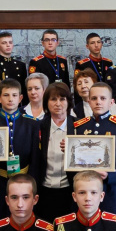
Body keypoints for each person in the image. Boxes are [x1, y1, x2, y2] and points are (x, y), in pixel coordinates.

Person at [0, 79, 39, 220]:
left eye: (14, 95)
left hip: (24, 180)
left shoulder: (31, 124)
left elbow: (35, 158)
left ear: (21, 98)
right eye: (6, 95)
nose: (10, 99)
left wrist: (32, 183)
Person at [72, 82, 116, 216]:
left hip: (111, 191)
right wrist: (70, 151)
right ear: (88, 101)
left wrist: (110, 175)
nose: (98, 102)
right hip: (84, 192)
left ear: (111, 102)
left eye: (103, 98)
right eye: (94, 98)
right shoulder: (79, 126)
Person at [36, 83, 76, 223]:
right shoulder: (38, 126)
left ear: (69, 102)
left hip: (70, 190)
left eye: (62, 99)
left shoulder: (78, 126)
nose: (58, 103)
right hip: (44, 190)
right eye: (53, 99)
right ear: (46, 103)